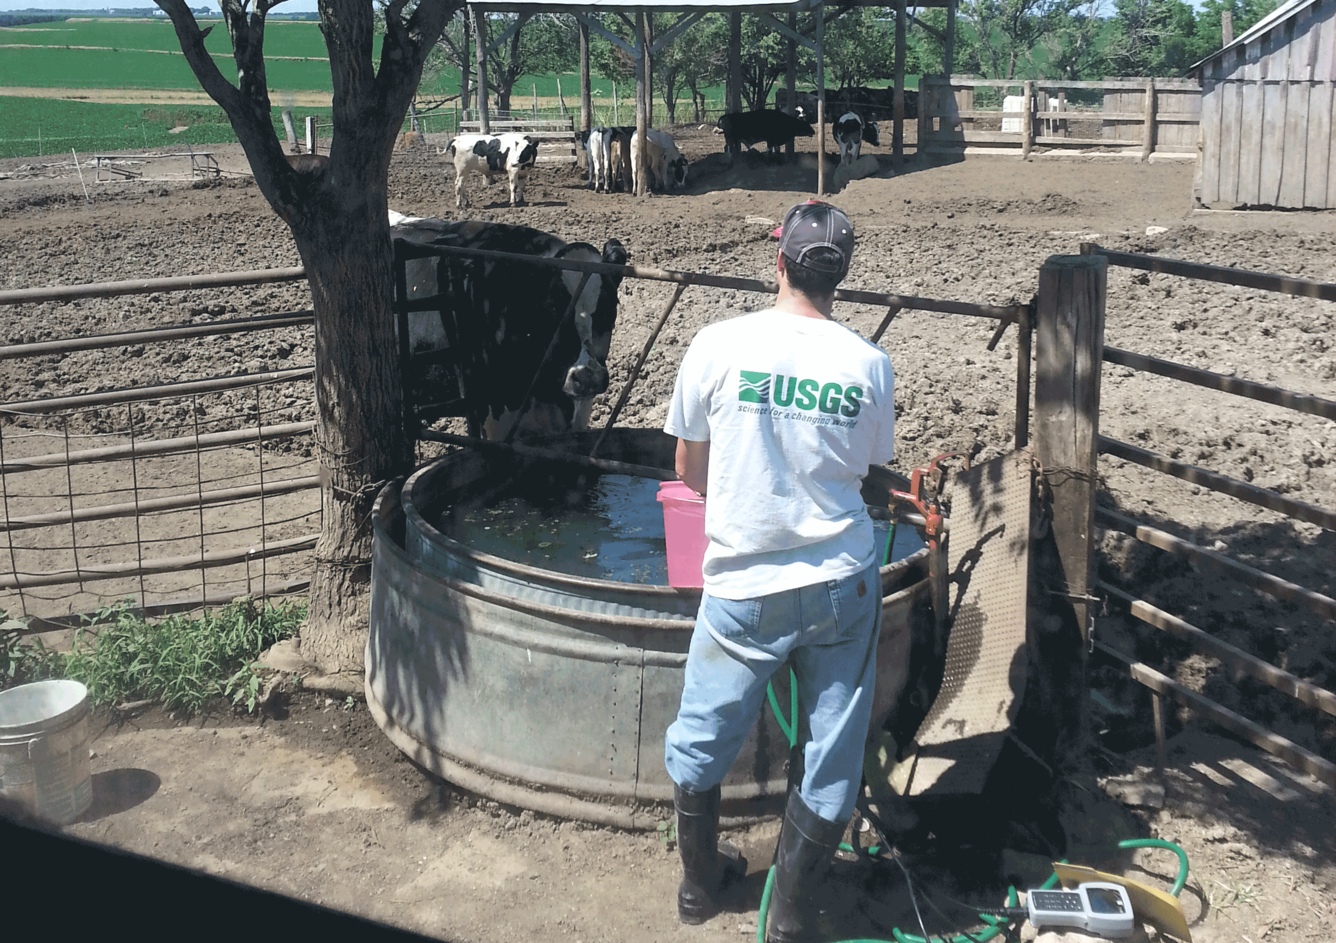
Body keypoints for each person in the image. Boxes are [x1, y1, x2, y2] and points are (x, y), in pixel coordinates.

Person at [662, 200, 896, 943]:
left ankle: (700, 884)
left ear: (779, 263)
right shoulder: (867, 363)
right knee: (831, 748)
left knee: (703, 731)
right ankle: (791, 915)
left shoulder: (717, 344)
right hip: (840, 581)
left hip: (742, 583)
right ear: (841, 279)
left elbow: (689, 471)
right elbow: (866, 476)